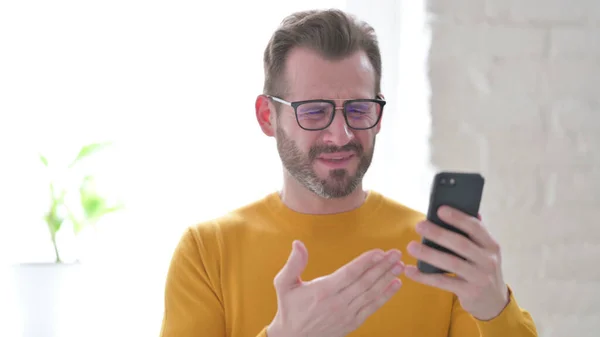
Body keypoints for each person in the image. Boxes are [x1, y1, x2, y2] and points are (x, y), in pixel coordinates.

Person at [159, 8, 538, 337]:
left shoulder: (436, 253)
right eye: (313, 111)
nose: (340, 135)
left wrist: (495, 309)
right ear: (267, 117)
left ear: (379, 116)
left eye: (358, 109)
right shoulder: (207, 252)